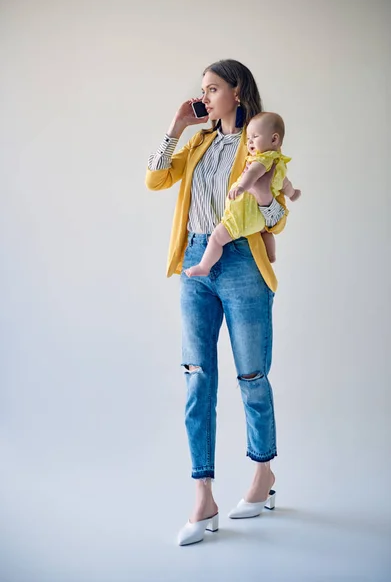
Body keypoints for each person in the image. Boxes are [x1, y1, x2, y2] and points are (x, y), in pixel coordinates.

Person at [146, 59, 288, 546]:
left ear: (237, 91)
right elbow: (155, 179)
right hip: (195, 263)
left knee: (251, 374)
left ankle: (262, 471)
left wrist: (265, 193)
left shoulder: (259, 141)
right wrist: (177, 125)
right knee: (197, 375)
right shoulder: (200, 142)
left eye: (213, 88)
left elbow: (277, 217)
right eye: (201, 88)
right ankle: (202, 494)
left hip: (242, 264)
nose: (204, 95)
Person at [184, 111, 301, 277]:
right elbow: (285, 184)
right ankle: (271, 255)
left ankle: (204, 266)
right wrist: (293, 193)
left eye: (255, 137)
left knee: (216, 238)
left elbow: (252, 174)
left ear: (274, 139)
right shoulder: (279, 163)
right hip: (257, 221)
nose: (250, 142)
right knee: (265, 232)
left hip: (241, 218)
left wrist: (242, 188)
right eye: (248, 138)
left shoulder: (260, 160)